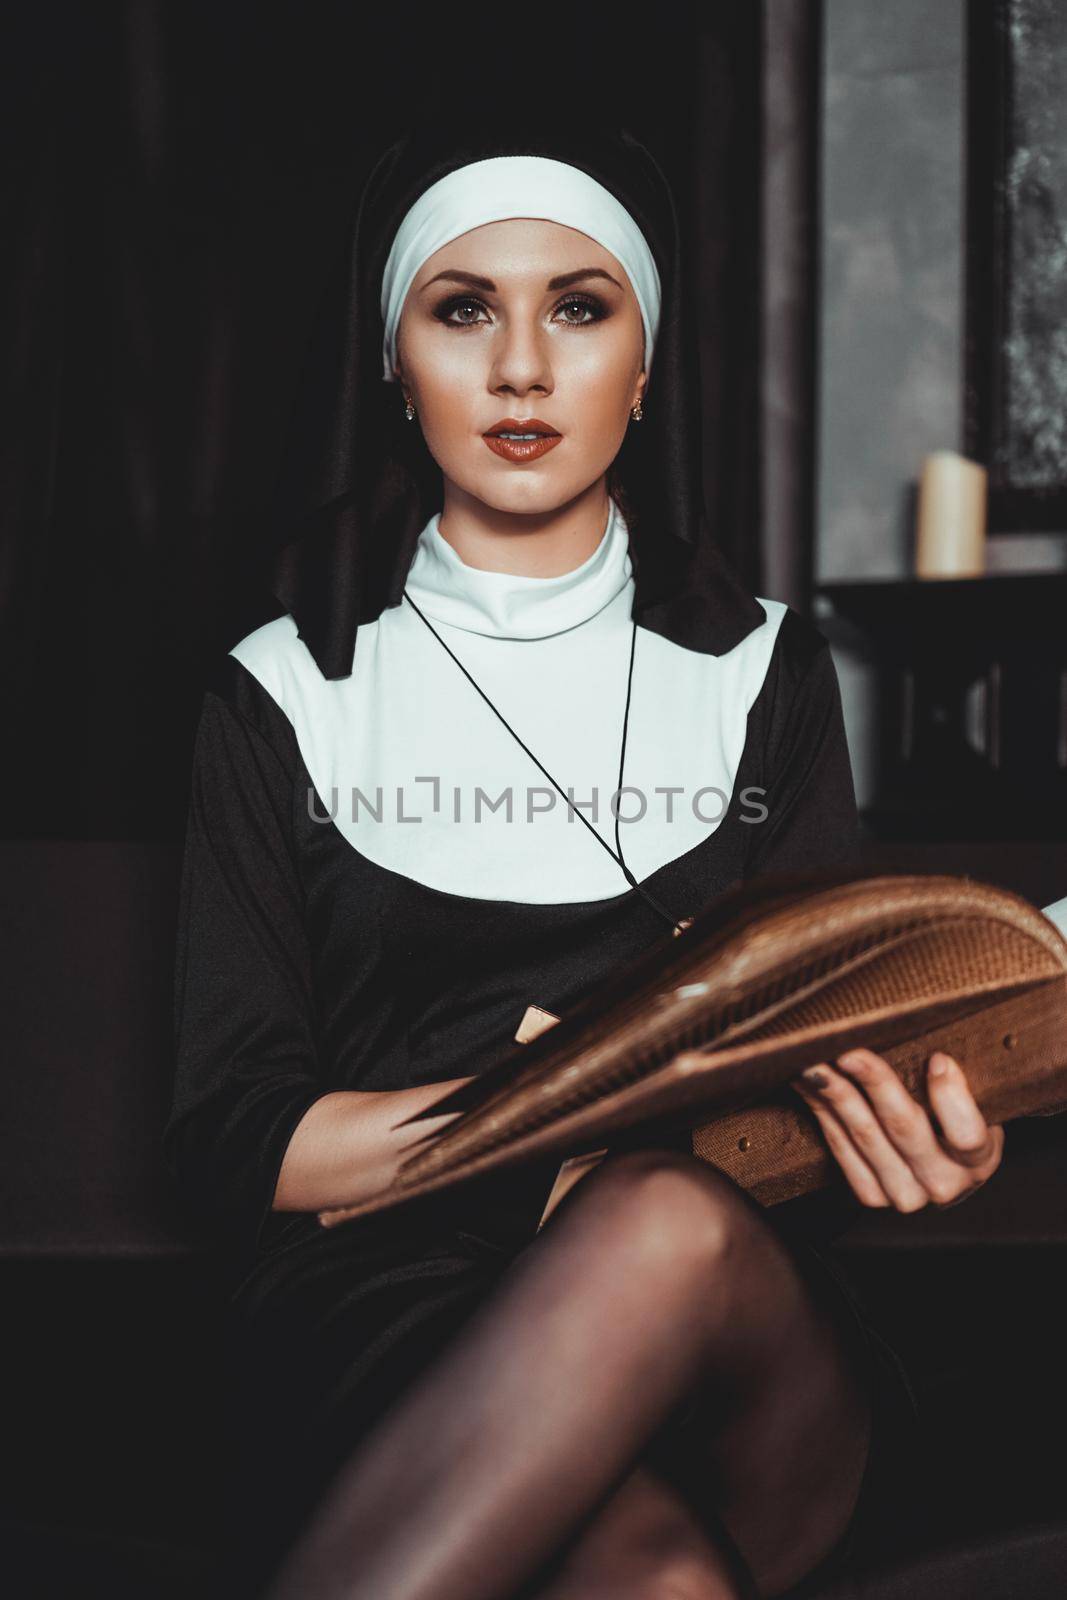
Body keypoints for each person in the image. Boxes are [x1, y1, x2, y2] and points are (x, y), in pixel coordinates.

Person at [162, 117, 1006, 1600]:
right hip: (387, 1324)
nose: (522, 370)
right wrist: (566, 1112)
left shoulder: (762, 674)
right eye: (464, 308)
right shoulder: (283, 688)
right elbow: (240, 1141)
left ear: (646, 359)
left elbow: (819, 1060)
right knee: (663, 1584)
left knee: (666, 1216)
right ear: (393, 356)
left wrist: (929, 1137)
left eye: (580, 306)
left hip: (738, 1339)